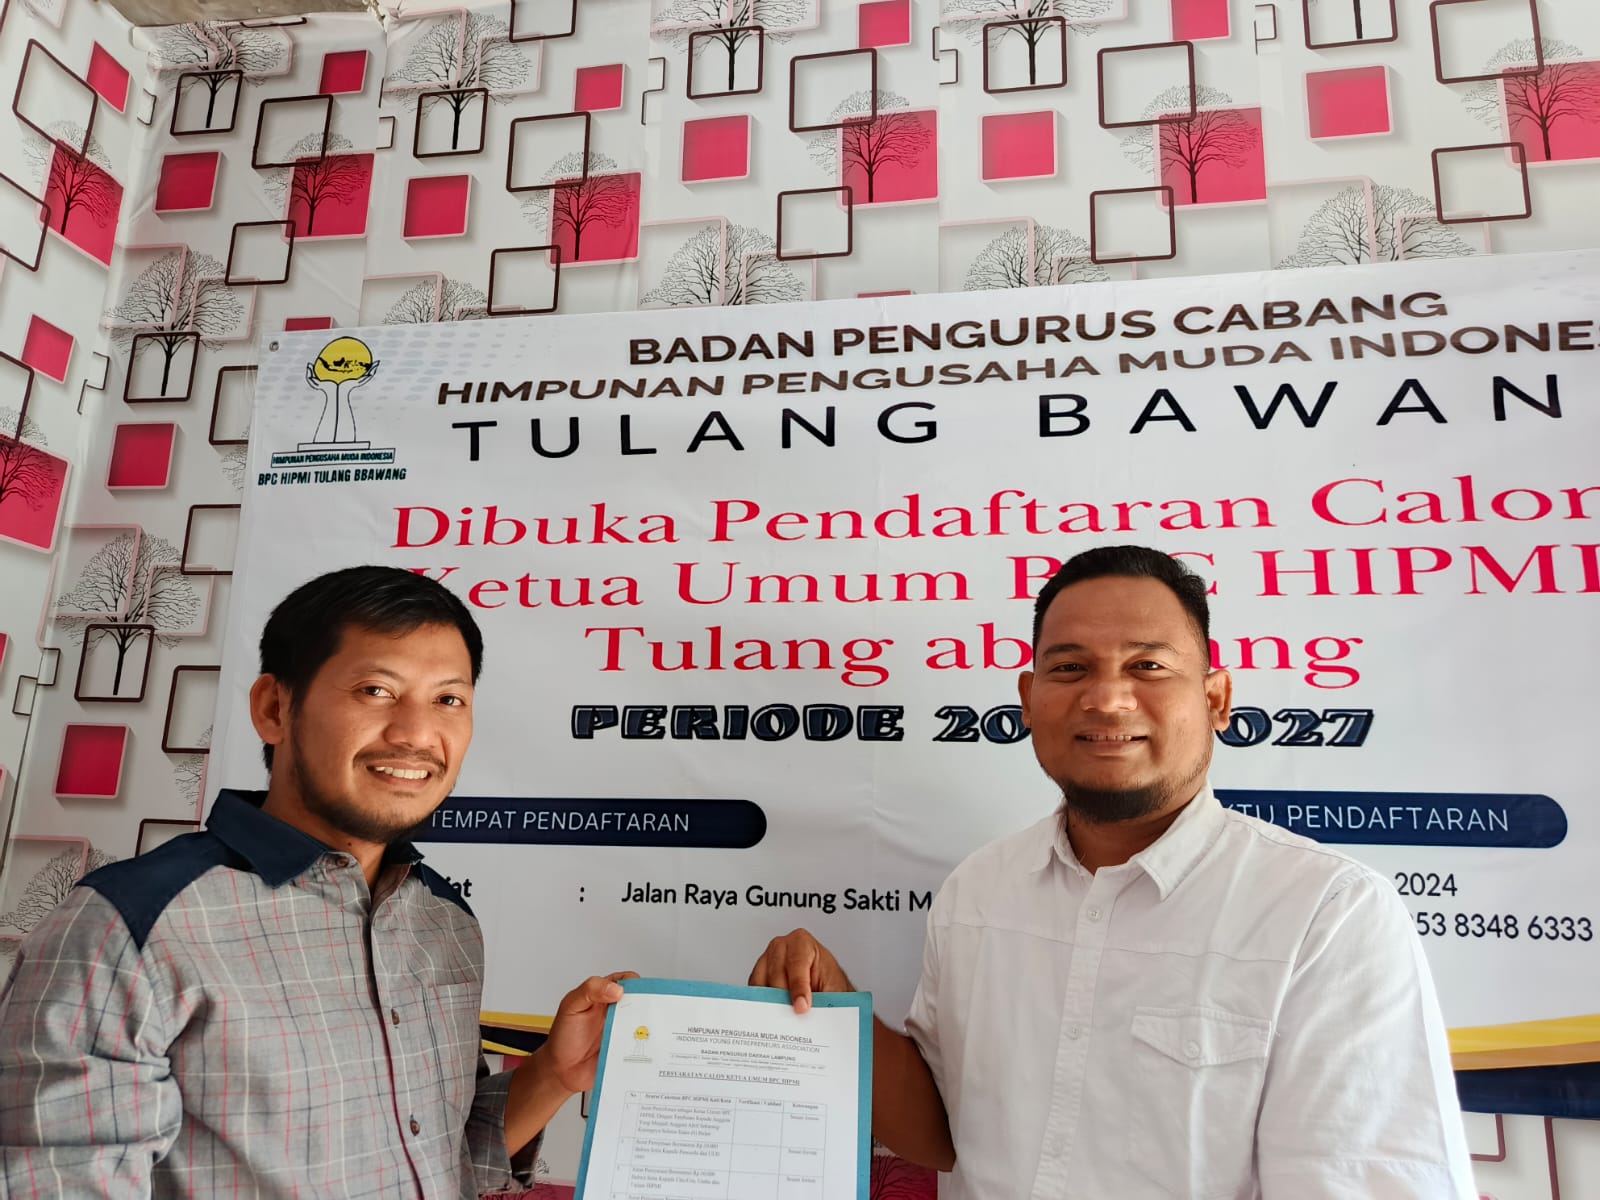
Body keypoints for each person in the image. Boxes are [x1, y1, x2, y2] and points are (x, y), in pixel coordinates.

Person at [750, 545, 1476, 1199]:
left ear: (1216, 699)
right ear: (1029, 699)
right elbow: (943, 1137)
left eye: (1147, 666)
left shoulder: (1327, 913)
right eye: (1070, 668)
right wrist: (835, 1009)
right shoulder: (980, 889)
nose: (1106, 699)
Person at [0, 565, 632, 1198]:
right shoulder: (126, 926)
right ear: (274, 709)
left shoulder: (445, 920)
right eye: (376, 690)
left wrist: (553, 1073)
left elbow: (445, 1158)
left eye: (448, 700)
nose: (417, 734)